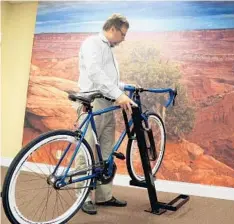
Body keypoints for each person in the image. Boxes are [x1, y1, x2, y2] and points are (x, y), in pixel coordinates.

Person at [77, 14, 137, 215]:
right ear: (112, 29)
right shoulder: (92, 43)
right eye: (123, 33)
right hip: (93, 103)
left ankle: (104, 196)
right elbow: (94, 73)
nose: (123, 38)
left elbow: (107, 79)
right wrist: (118, 94)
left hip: (108, 104)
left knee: (106, 153)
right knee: (86, 152)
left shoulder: (108, 49)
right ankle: (83, 198)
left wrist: (124, 87)